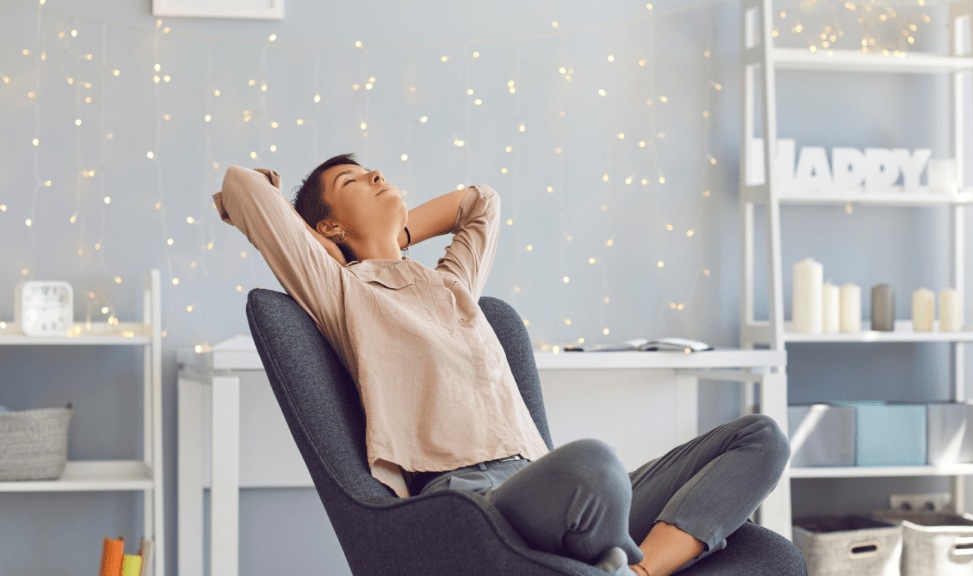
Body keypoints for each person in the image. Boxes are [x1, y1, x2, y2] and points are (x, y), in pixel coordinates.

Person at [213, 153, 791, 576]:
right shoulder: (341, 292)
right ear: (329, 226)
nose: (376, 175)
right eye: (353, 181)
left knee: (759, 437)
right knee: (595, 465)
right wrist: (323, 246)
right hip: (477, 503)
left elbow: (479, 201)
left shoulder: (452, 284)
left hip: (544, 481)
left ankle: (635, 572)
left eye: (374, 170)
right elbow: (240, 185)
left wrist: (396, 230)